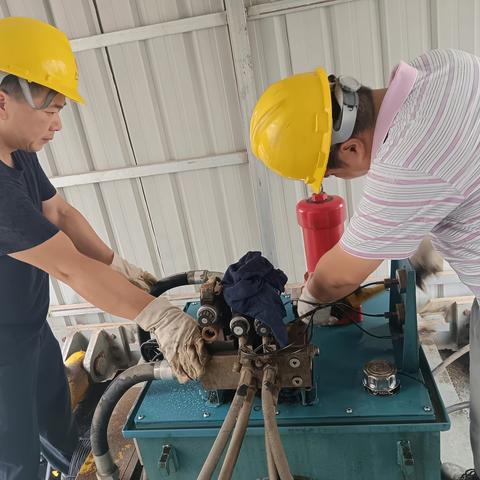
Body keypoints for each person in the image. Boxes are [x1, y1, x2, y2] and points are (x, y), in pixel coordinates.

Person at [250, 48, 480, 480]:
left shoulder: (405, 164)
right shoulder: (441, 66)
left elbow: (339, 276)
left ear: (352, 147)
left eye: (333, 174)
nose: (336, 183)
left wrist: (309, 300)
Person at [0, 17, 207, 480]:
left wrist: (118, 265)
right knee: (13, 455)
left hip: (27, 326)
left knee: (54, 417)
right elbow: (70, 269)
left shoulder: (17, 151)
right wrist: (159, 317)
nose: (57, 125)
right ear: (2, 102)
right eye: (51, 110)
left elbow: (61, 215)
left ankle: (74, 469)